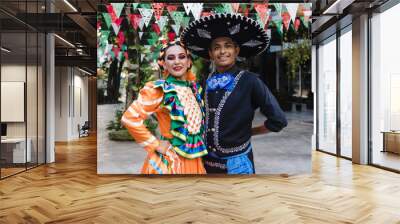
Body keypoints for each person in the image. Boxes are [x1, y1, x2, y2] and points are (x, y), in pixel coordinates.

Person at [181, 13, 288, 174]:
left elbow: (278, 120)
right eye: (216, 47)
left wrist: (249, 132)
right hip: (204, 162)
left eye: (228, 46)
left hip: (238, 163)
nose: (222, 51)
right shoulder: (203, 82)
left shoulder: (250, 81)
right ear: (210, 54)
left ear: (236, 50)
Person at [121, 41, 208, 174]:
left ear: (189, 61)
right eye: (171, 58)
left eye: (181, 57)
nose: (177, 62)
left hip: (195, 159)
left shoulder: (195, 89)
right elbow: (130, 118)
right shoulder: (160, 89)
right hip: (171, 162)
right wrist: (155, 144)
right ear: (164, 64)